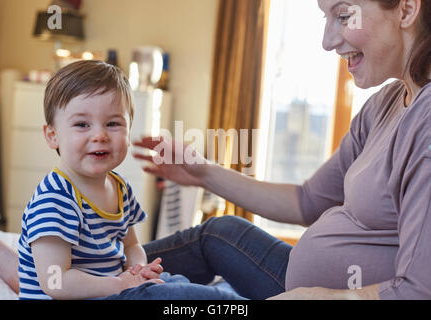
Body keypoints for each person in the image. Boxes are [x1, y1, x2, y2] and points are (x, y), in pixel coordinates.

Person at [132, 0, 431, 300]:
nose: (327, 42)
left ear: (406, 9)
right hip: (306, 286)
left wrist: (309, 297)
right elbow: (307, 202)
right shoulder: (387, 103)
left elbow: (417, 291)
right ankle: (103, 266)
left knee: (171, 299)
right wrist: (205, 173)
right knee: (217, 232)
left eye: (343, 15)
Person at [13, 60, 243, 300]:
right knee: (179, 295)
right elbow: (55, 281)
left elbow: (132, 245)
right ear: (52, 136)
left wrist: (138, 268)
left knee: (174, 282)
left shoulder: (119, 187)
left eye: (113, 124)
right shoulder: (54, 200)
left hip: (109, 290)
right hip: (83, 295)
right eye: (82, 124)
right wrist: (118, 285)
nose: (100, 135)